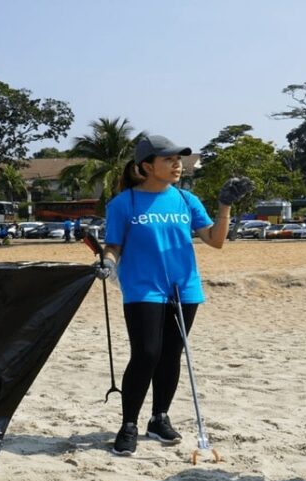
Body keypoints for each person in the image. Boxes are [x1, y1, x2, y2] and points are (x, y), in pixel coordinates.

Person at [98, 134, 253, 456]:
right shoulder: (123, 203)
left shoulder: (186, 200)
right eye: (168, 159)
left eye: (178, 159)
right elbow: (113, 246)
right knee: (146, 353)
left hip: (185, 288)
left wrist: (224, 205)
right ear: (146, 166)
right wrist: (105, 263)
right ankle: (129, 424)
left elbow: (215, 240)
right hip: (142, 288)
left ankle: (159, 418)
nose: (177, 165)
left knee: (171, 355)